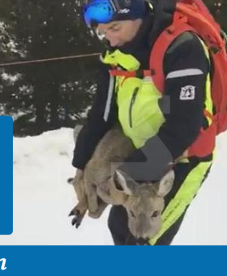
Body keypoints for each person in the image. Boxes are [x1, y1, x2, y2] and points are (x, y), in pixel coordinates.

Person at [72, 0, 215, 245]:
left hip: (182, 158)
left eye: (115, 28)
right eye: (103, 33)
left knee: (143, 240)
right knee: (118, 227)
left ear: (138, 15)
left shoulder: (182, 47)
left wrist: (127, 175)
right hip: (138, 153)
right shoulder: (116, 55)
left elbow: (183, 125)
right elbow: (102, 114)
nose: (111, 40)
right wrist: (82, 164)